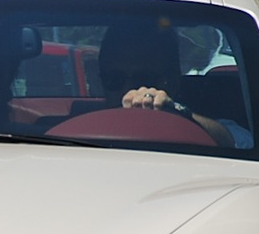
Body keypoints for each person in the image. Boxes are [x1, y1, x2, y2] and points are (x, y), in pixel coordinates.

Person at [97, 20, 249, 149]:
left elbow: (243, 142)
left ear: (172, 81)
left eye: (144, 79)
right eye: (114, 79)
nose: (128, 90)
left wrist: (175, 114)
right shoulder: (78, 129)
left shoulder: (194, 121)